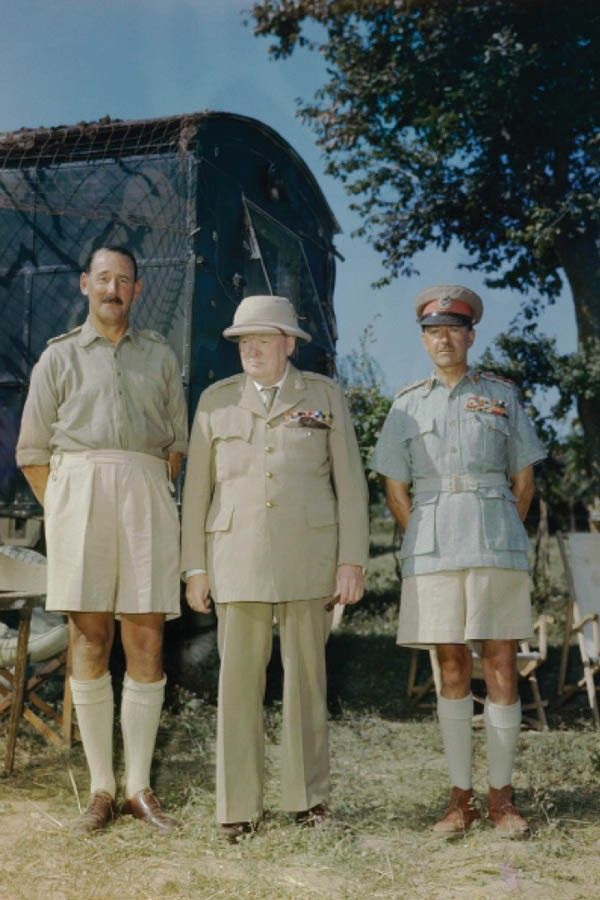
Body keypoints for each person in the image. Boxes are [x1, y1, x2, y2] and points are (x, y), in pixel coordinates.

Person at [181, 294, 369, 841]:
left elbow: (351, 488)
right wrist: (195, 566)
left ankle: (308, 801)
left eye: (263, 338)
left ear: (289, 344)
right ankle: (238, 807)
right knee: (237, 685)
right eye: (243, 340)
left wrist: (351, 559)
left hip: (308, 559)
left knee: (307, 681)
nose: (252, 348)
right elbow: (196, 494)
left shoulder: (325, 397)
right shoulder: (216, 403)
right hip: (236, 559)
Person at [16, 244, 188, 834]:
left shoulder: (161, 357)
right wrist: (66, 509)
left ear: (138, 290)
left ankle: (139, 788)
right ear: (84, 284)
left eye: (125, 280)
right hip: (78, 494)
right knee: (89, 640)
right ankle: (100, 791)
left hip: (144, 491)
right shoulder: (57, 359)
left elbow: (176, 444)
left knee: (146, 640)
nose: (114, 288)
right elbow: (31, 452)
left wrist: (145, 496)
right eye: (103, 278)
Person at [371, 285, 545, 837]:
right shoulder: (406, 403)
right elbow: (395, 487)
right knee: (449, 665)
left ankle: (501, 799)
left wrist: (494, 524)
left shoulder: (501, 396)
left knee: (499, 664)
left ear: (470, 335)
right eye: (432, 331)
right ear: (424, 340)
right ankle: (459, 799)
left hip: (496, 541)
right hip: (433, 547)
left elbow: (524, 483)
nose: (443, 339)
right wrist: (427, 530)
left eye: (452, 329)